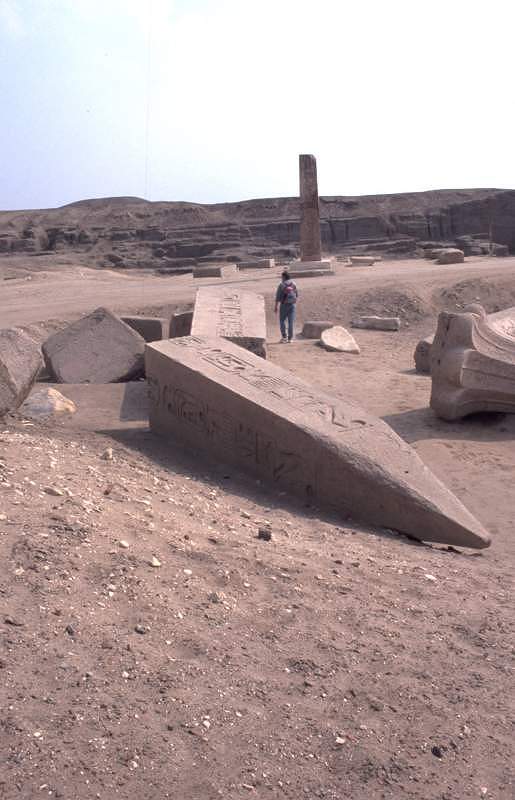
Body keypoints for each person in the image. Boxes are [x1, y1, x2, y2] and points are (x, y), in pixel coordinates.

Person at [274, 270, 298, 342]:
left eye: (282, 277)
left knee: (282, 321)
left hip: (284, 305)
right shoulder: (294, 284)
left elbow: (277, 297)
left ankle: (284, 337)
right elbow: (296, 295)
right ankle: (290, 338)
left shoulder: (281, 285)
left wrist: (276, 307)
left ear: (284, 277)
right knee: (291, 322)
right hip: (292, 305)